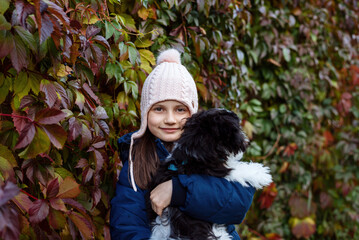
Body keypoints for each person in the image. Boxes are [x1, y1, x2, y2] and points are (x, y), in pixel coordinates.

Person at [110, 48, 256, 239]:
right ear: (146, 114)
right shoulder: (137, 160)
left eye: (180, 109)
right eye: (159, 109)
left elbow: (237, 203)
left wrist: (178, 191)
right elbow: (126, 225)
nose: (170, 119)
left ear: (193, 113)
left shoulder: (212, 149)